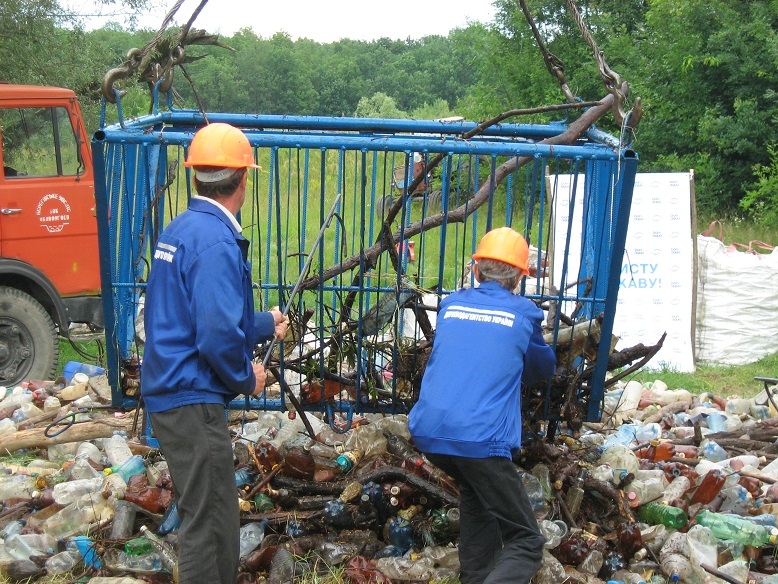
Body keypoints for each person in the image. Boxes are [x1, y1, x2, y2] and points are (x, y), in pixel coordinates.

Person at [141, 122, 288, 584]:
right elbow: (216, 337)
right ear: (244, 179)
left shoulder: (181, 230)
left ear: (194, 177)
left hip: (171, 390)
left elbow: (199, 314)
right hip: (191, 399)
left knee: (210, 515)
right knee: (211, 524)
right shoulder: (217, 241)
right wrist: (248, 378)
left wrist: (265, 323)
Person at [408, 226, 556, 584]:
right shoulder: (524, 312)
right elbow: (542, 369)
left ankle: (475, 577)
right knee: (526, 538)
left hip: (428, 434)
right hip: (481, 440)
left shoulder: (453, 304)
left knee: (478, 498)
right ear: (521, 277)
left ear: (476, 270)